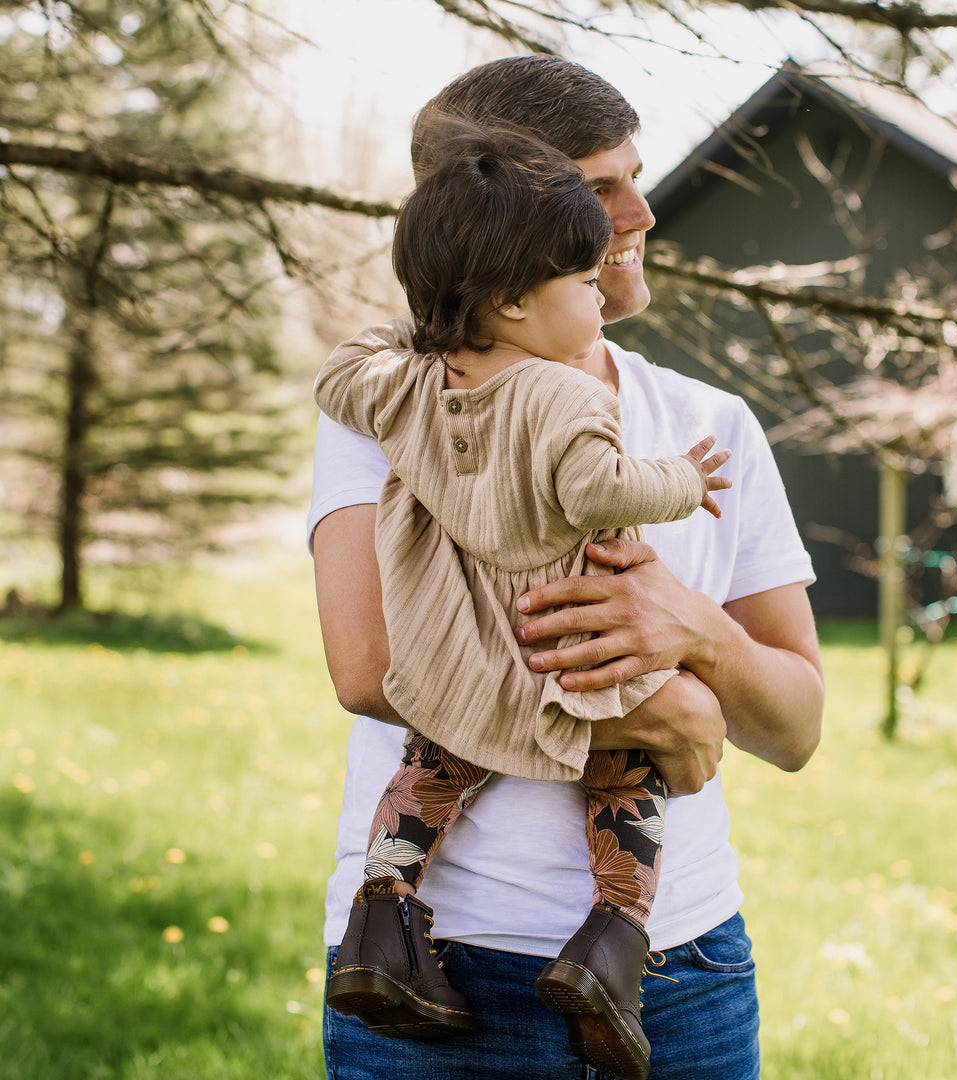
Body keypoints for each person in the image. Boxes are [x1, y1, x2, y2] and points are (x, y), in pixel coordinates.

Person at [309, 55, 824, 1080]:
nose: (640, 210)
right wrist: (653, 710)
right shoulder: (401, 403)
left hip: (686, 973)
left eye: (636, 173)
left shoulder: (710, 426)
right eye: (599, 190)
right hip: (446, 969)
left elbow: (798, 725)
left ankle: (611, 931)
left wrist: (696, 637)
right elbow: (370, 669)